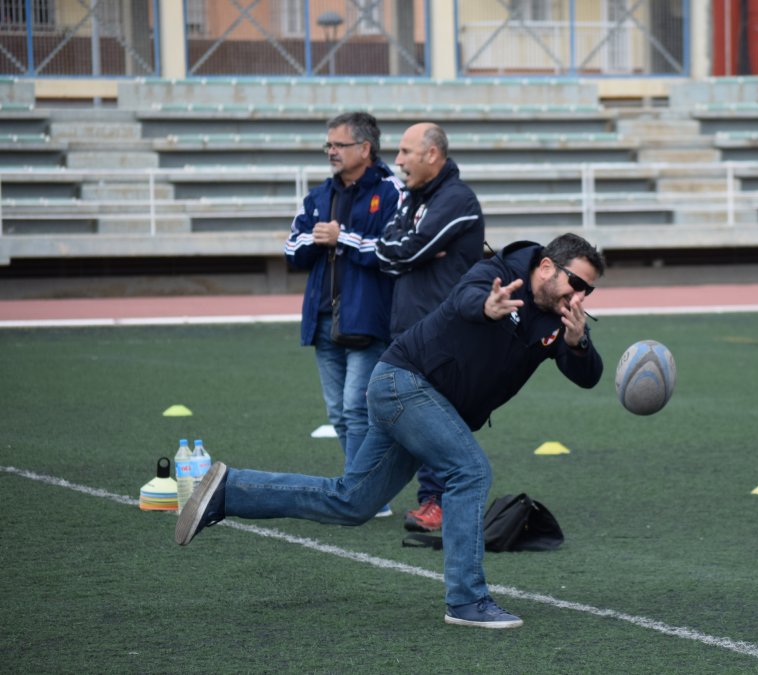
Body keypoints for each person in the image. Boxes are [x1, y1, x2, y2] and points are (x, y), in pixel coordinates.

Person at [177, 233, 605, 630]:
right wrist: (487, 307)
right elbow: (466, 298)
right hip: (405, 384)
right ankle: (467, 600)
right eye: (576, 282)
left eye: (588, 290)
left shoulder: (559, 317)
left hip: (419, 398)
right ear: (547, 266)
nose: (581, 296)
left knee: (352, 501)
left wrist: (577, 343)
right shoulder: (500, 275)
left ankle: (228, 490)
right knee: (470, 471)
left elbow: (588, 376)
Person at [284, 112, 403, 517]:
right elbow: (290, 250)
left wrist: (344, 238)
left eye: (339, 145)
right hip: (322, 317)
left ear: (365, 149)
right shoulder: (319, 195)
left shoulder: (392, 192)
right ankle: (370, 492)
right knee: (338, 411)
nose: (331, 152)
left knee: (357, 408)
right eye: (328, 145)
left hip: (368, 319)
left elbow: (394, 251)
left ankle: (361, 493)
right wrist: (314, 240)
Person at [374, 122, 484, 534]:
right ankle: (373, 492)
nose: (398, 161)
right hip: (407, 326)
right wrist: (409, 250)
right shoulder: (413, 198)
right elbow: (388, 252)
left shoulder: (457, 199)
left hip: (442, 330)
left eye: (405, 152)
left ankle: (437, 500)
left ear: (432, 154)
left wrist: (409, 250)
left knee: (435, 415)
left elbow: (407, 250)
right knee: (397, 416)